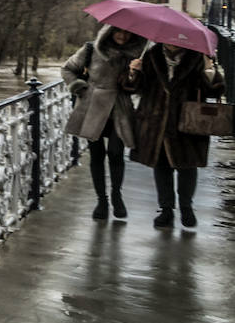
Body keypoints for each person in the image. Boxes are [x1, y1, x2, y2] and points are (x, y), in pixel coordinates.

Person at [124, 43, 225, 228]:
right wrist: (134, 72)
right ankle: (166, 210)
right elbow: (135, 88)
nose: (171, 42)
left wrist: (209, 70)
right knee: (161, 166)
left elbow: (216, 90)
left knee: (187, 166)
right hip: (157, 122)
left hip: (187, 123)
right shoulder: (151, 55)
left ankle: (186, 208)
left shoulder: (197, 56)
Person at [61, 25, 148, 220]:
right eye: (118, 31)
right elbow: (67, 69)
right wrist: (78, 87)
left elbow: (138, 88)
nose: (123, 35)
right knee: (97, 155)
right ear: (109, 32)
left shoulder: (137, 54)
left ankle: (117, 195)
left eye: (127, 32)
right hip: (93, 107)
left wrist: (136, 73)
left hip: (120, 108)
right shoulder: (92, 49)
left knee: (116, 153)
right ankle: (101, 200)